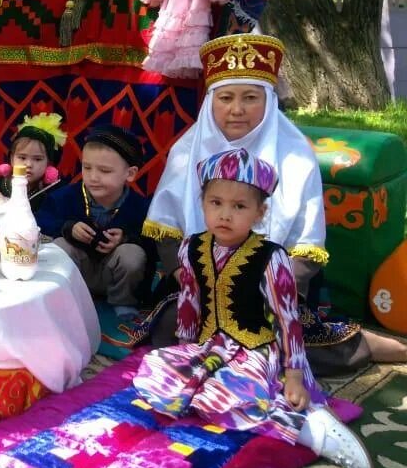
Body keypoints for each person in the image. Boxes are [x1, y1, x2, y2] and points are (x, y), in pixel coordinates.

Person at [144, 33, 407, 371]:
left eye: (250, 97)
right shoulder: (186, 150)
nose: (236, 109)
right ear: (211, 101)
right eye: (225, 97)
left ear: (268, 100)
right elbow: (165, 228)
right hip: (200, 281)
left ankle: (368, 345)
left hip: (273, 286)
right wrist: (187, 275)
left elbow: (307, 246)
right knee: (168, 329)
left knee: (290, 342)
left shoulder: (295, 154)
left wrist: (264, 289)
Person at [133, 148, 373, 468]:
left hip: (253, 351)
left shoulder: (270, 257)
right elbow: (189, 302)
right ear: (202, 204)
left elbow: (288, 321)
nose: (225, 215)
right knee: (160, 377)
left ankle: (310, 428)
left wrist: (293, 377)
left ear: (260, 213)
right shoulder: (192, 247)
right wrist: (184, 351)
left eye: (240, 206)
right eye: (215, 203)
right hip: (210, 347)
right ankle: (242, 399)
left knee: (220, 396)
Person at [36, 125, 154, 319]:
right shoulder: (65, 197)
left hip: (114, 273)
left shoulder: (141, 206)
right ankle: (68, 296)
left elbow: (151, 244)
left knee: (132, 254)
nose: (93, 177)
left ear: (130, 174)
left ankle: (123, 301)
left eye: (105, 171)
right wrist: (68, 228)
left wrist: (126, 238)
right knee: (60, 246)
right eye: (87, 167)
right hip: (77, 271)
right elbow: (41, 220)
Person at [0, 112, 65, 211]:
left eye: (37, 159)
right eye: (22, 158)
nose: (28, 164)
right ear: (11, 159)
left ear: (48, 163)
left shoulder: (54, 193)